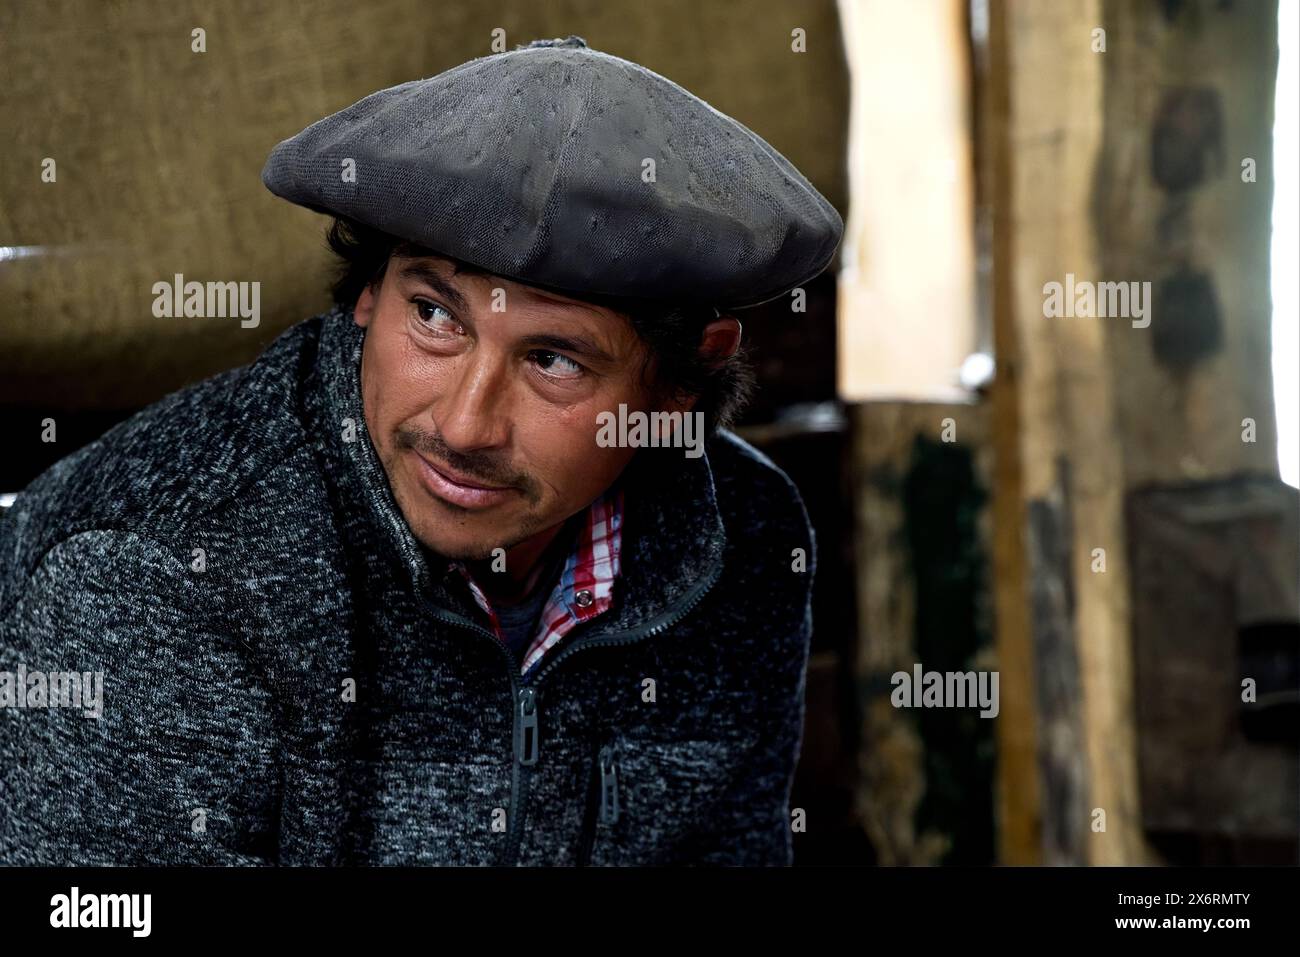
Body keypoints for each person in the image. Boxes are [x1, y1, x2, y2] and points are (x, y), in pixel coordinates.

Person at [0, 36, 842, 865]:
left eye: (554, 360)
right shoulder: (158, 576)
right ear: (370, 291)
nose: (466, 426)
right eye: (436, 316)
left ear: (683, 379)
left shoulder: (747, 537)